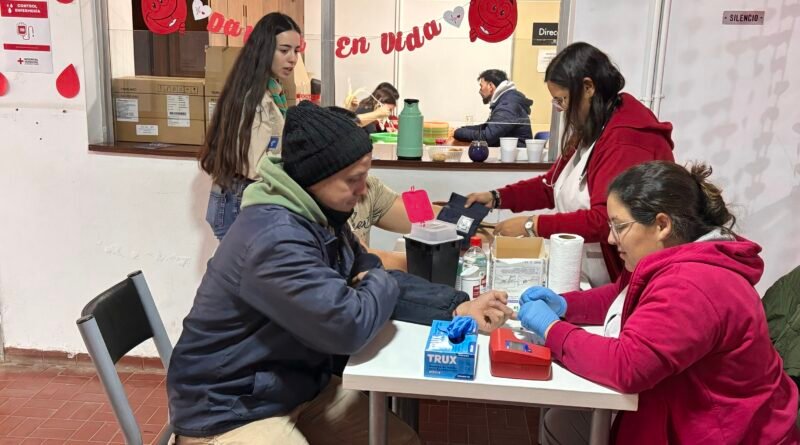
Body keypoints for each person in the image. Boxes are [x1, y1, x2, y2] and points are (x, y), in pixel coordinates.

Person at [167, 101, 513, 444]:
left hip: (293, 385)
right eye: (354, 180)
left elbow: (369, 276)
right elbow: (349, 326)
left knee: (400, 441)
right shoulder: (274, 238)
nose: (363, 191)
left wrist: (457, 306)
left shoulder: (321, 216)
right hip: (228, 406)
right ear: (315, 178)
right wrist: (374, 277)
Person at [516, 161, 800, 444]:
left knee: (565, 425)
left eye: (619, 226)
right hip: (690, 408)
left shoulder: (693, 285)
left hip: (726, 432)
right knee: (562, 422)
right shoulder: (681, 254)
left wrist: (552, 329)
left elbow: (627, 366)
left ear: (662, 225)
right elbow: (622, 295)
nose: (611, 238)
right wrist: (565, 305)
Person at [465, 43, 674, 286]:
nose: (562, 109)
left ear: (588, 87)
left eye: (562, 100)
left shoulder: (626, 140)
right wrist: (496, 197)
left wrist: (532, 225)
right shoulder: (594, 127)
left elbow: (604, 220)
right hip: (586, 268)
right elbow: (550, 186)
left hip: (618, 275)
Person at [199, 13, 301, 240]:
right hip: (239, 200)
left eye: (296, 51)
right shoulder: (255, 97)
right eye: (284, 50)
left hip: (239, 197)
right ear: (264, 49)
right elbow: (256, 166)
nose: (293, 59)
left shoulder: (269, 90)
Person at [452, 69, 533, 147]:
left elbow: (488, 137)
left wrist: (457, 132)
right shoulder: (506, 100)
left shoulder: (508, 105)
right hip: (509, 152)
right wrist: (461, 129)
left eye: (481, 86)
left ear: (490, 86)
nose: (480, 91)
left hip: (515, 155)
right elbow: (486, 127)